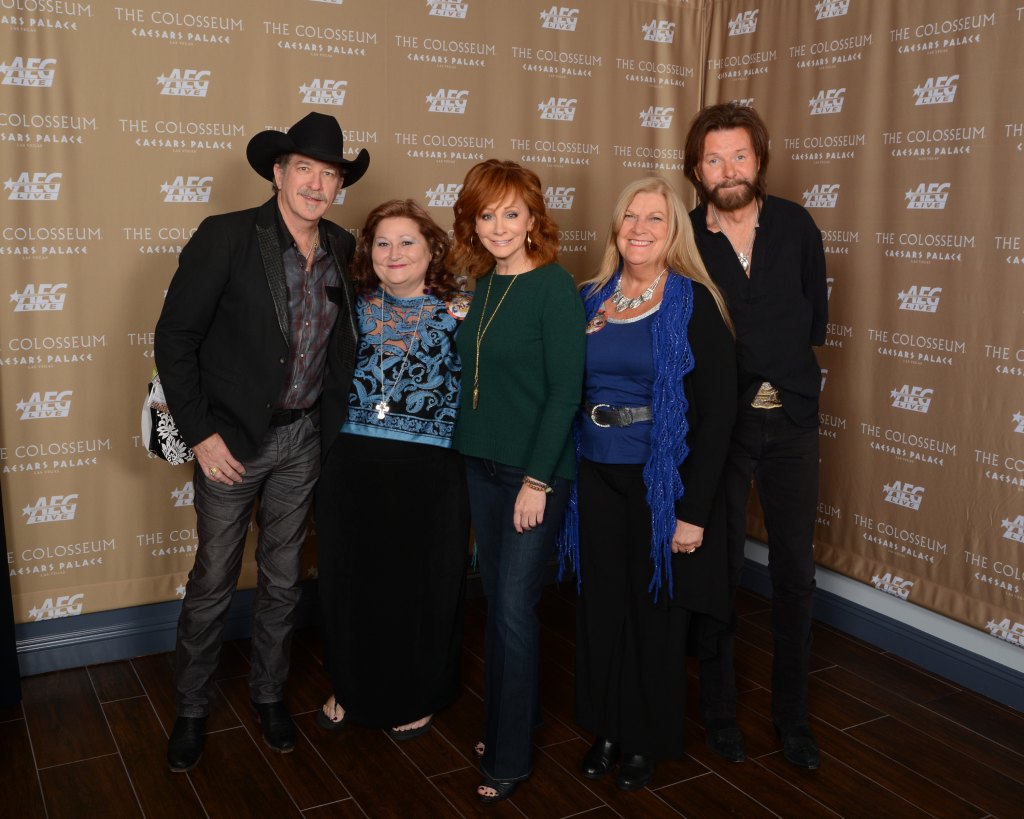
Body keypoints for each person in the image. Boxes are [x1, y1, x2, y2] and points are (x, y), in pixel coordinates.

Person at [154, 112, 368, 772]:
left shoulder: (343, 245)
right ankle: (192, 707)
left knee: (282, 577)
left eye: (329, 174)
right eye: (305, 169)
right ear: (278, 172)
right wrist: (200, 435)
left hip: (303, 437)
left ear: (339, 185)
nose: (316, 184)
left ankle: (269, 693)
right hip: (230, 441)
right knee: (214, 577)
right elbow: (175, 339)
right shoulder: (225, 236)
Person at [558, 177, 737, 790]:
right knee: (602, 607)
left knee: (654, 612)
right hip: (593, 473)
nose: (639, 228)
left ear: (673, 231)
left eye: (654, 218)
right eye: (630, 216)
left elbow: (719, 416)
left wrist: (693, 512)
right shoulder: (589, 298)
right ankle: (606, 727)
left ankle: (644, 738)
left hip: (660, 483)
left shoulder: (694, 302)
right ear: (616, 227)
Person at [683, 102, 828, 770]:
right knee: (718, 568)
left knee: (795, 572)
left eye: (739, 155)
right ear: (696, 170)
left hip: (793, 419)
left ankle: (792, 717)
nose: (729, 170)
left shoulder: (796, 225)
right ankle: (719, 711)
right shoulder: (685, 237)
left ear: (760, 160)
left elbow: (813, 316)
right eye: (714, 159)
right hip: (722, 424)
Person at [450, 159, 585, 803]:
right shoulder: (481, 285)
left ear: (533, 219)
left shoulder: (554, 287)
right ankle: (513, 721)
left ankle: (509, 757)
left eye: (511, 213)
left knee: (511, 610)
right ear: (472, 222)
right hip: (479, 464)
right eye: (486, 214)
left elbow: (565, 394)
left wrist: (537, 480)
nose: (499, 226)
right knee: (499, 603)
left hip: (533, 474)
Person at [314, 199, 471, 739]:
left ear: (432, 249)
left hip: (429, 472)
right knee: (350, 583)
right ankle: (350, 684)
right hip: (351, 466)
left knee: (420, 587)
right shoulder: (349, 307)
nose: (394, 253)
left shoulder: (462, 311)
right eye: (383, 243)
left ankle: (418, 692)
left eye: (408, 242)